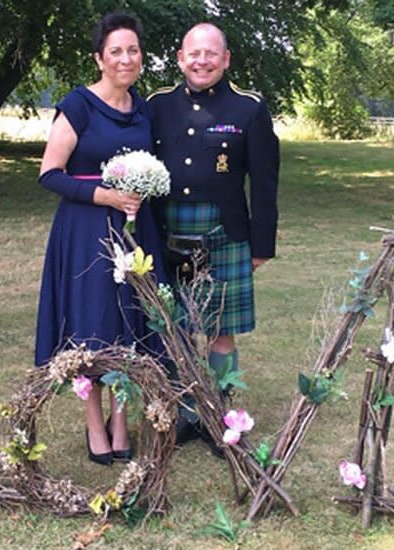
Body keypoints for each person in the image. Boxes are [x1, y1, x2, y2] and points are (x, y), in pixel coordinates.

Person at [35, 13, 167, 465]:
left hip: (133, 230)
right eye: (116, 51)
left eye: (133, 50)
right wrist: (105, 196)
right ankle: (94, 422)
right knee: (90, 327)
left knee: (129, 322)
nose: (125, 59)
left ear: (141, 57)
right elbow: (49, 174)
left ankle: (120, 418)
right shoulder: (78, 105)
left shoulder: (143, 108)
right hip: (86, 229)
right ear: (99, 58)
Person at [147, 23, 279, 448]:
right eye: (194, 54)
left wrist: (261, 244)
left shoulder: (248, 108)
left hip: (225, 230)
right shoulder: (157, 105)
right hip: (168, 228)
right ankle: (186, 411)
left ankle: (220, 413)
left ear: (225, 60)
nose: (202, 61)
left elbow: (264, 181)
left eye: (211, 54)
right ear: (180, 58)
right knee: (178, 328)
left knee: (221, 330)